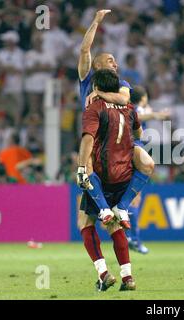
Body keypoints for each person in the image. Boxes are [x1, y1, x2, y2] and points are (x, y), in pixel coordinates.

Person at [78, 9, 154, 221]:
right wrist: (96, 21)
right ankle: (104, 210)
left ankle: (121, 207)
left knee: (148, 164)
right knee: (86, 165)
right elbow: (85, 50)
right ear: (98, 65)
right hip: (98, 139)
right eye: (111, 60)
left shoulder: (122, 85)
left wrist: (99, 94)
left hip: (122, 141)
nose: (116, 64)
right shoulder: (87, 79)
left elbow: (123, 100)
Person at [77, 69, 140, 292]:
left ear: (96, 88)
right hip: (124, 176)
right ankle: (128, 277)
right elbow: (138, 135)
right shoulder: (129, 108)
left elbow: (88, 138)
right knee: (113, 225)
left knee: (85, 222)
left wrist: (82, 169)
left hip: (101, 175)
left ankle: (104, 274)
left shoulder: (95, 107)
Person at [126, 85, 171, 254]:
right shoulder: (135, 109)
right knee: (135, 197)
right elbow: (139, 114)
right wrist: (156, 114)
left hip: (130, 150)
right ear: (143, 97)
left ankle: (132, 238)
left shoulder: (133, 107)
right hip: (135, 151)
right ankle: (133, 238)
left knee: (134, 198)